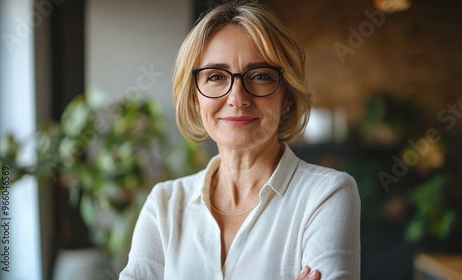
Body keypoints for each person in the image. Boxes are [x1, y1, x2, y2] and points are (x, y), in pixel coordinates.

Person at [119, 1, 360, 279]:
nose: (237, 98)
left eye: (259, 76)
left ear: (287, 99)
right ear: (195, 99)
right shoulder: (165, 203)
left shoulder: (327, 195)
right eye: (216, 76)